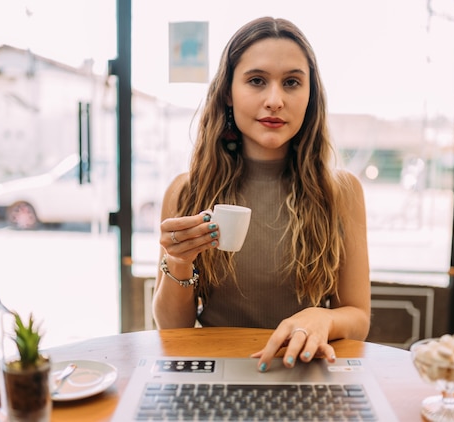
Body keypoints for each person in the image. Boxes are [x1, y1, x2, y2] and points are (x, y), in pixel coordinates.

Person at [153, 16, 370, 373]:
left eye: (291, 83)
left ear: (310, 94)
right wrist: (178, 262)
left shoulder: (342, 193)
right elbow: (172, 330)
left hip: (303, 370)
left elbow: (358, 317)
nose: (274, 100)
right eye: (256, 81)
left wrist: (323, 319)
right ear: (228, 91)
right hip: (216, 370)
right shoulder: (185, 192)